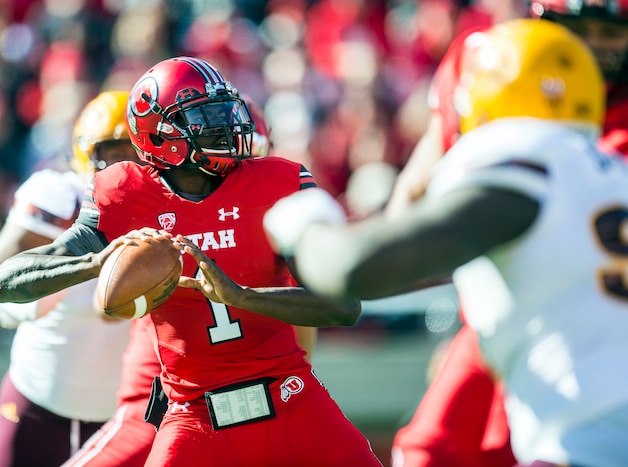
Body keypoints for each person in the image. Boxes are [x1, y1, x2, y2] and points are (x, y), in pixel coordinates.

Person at [265, 17, 628, 467]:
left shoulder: (525, 162)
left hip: (592, 441)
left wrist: (305, 223)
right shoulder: (613, 173)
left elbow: (352, 268)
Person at [0, 56, 381, 466]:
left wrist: (241, 295)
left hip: (290, 395)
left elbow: (343, 307)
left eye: (225, 110)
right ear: (161, 132)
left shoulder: (278, 180)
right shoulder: (124, 195)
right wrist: (95, 263)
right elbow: (0, 284)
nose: (228, 125)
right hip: (193, 413)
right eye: (206, 116)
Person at [382, 2, 628, 466]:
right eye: (579, 27)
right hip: (501, 323)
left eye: (611, 31)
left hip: (600, 341)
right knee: (427, 454)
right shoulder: (494, 63)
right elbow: (415, 190)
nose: (594, 45)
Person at [61, 95, 320, 467]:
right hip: (172, 402)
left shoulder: (267, 196)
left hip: (232, 399)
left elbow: (307, 328)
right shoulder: (153, 203)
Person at [0, 90, 139, 467]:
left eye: (136, 152)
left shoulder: (169, 209)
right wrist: (20, 308)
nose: (125, 166)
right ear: (85, 153)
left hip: (121, 417)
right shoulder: (59, 199)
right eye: (114, 153)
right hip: (35, 403)